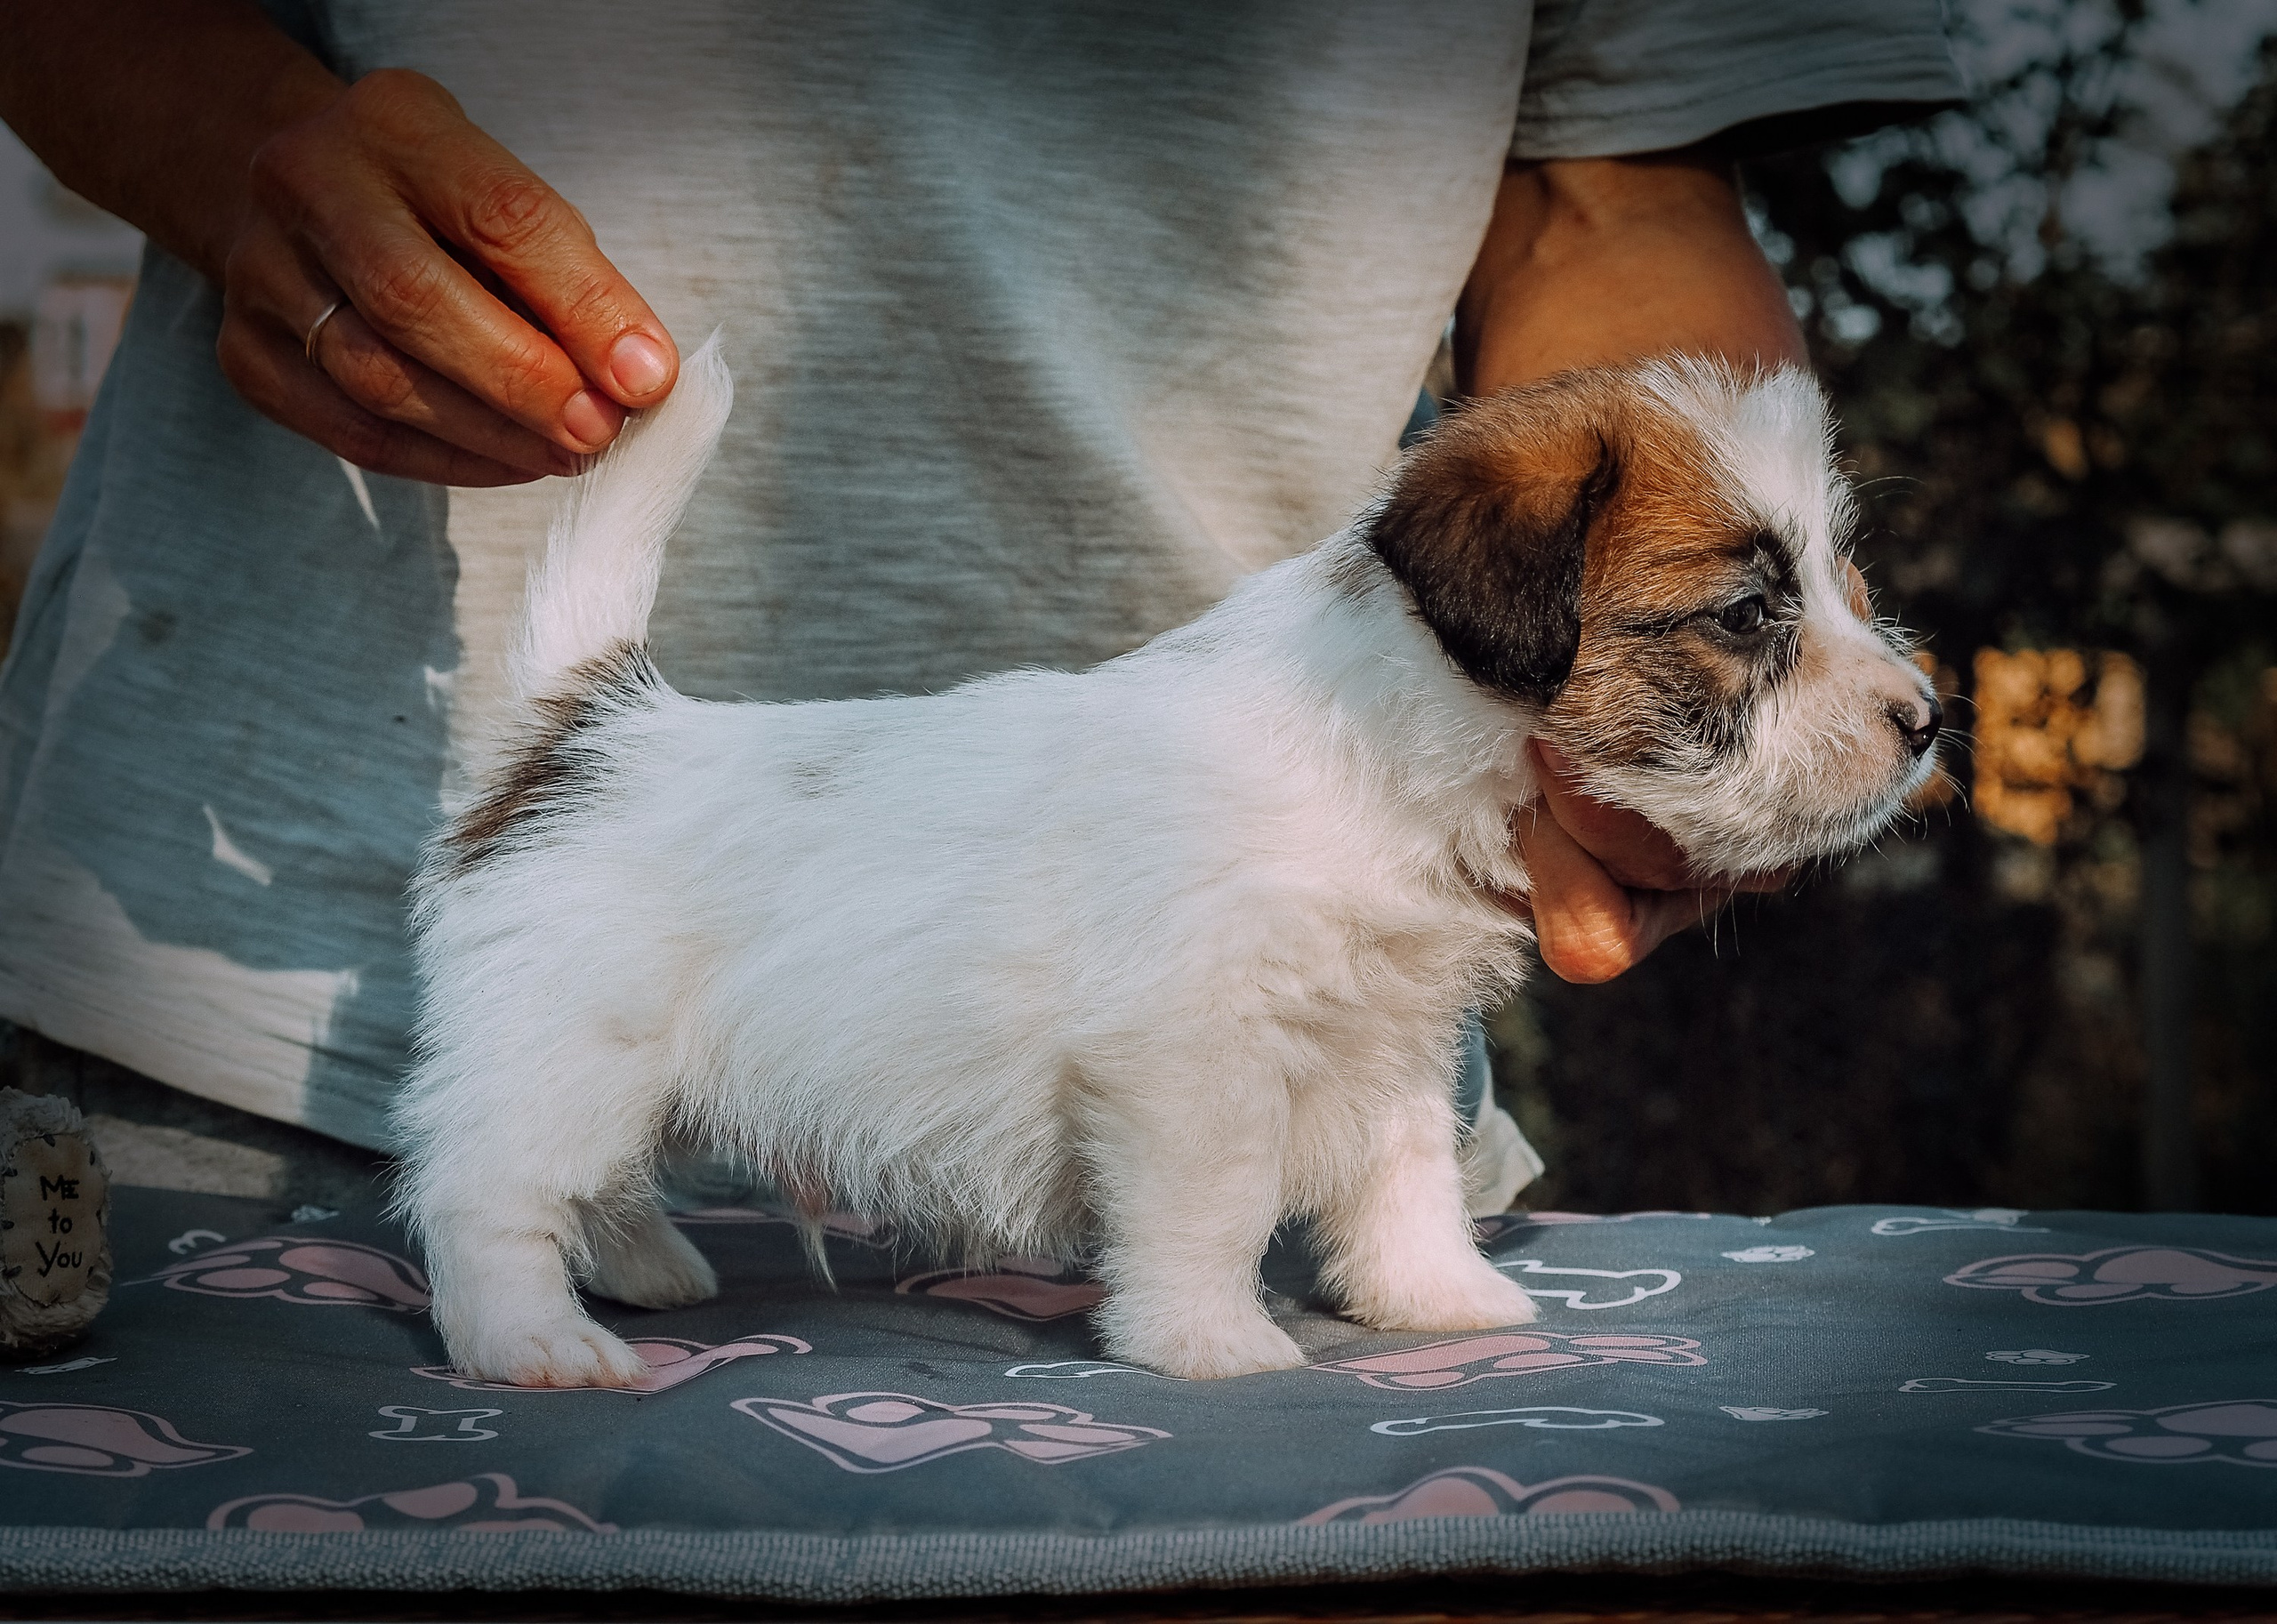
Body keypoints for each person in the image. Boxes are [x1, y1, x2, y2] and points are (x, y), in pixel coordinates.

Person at [0, 2, 1959, 1195]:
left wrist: (1693, 701)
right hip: (272, 984)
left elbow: (1610, 197)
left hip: (1286, 1007)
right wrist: (247, 151)